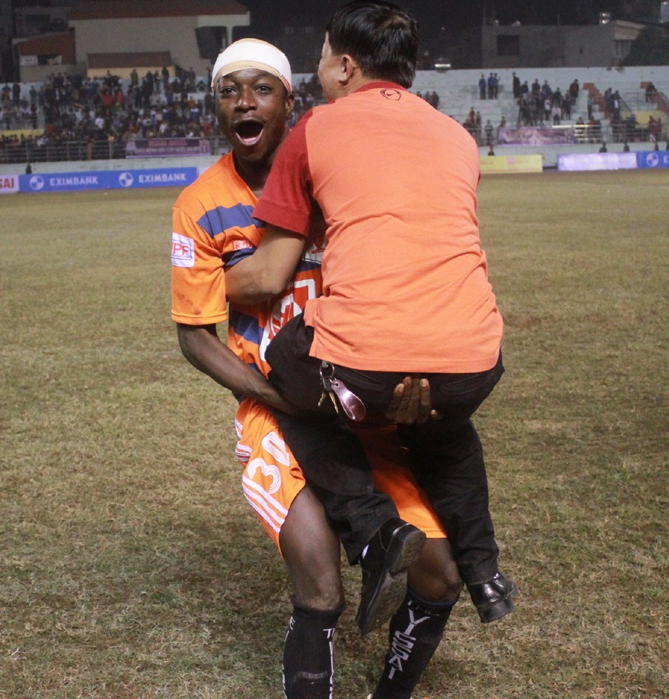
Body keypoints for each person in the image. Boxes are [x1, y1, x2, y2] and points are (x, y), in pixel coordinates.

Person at [171, 38, 464, 698]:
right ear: (215, 107)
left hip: (357, 406)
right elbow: (194, 337)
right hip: (276, 413)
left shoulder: (340, 179)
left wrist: (412, 380)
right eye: (228, 91)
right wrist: (272, 395)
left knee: (440, 572)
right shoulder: (199, 203)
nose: (244, 102)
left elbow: (402, 283)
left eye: (262, 88)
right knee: (320, 579)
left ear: (288, 102)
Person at [226, 0, 516, 627]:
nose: (319, 70)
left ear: (344, 66)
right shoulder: (457, 135)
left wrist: (204, 284)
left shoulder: (317, 128)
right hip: (474, 361)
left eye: (322, 58)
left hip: (369, 360)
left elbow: (268, 275)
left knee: (285, 379)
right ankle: (484, 571)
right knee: (443, 429)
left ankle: (373, 529)